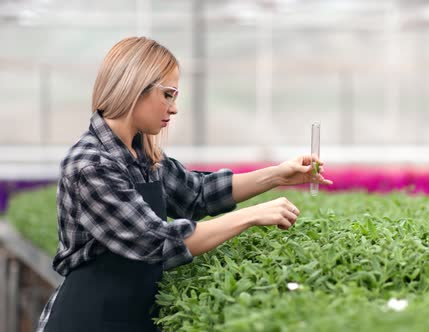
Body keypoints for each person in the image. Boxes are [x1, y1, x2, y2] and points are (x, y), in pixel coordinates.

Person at [35, 36, 332, 332]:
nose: (174, 108)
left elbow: (197, 194)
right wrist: (251, 215)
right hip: (88, 320)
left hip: (131, 315)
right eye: (168, 94)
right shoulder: (91, 164)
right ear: (135, 87)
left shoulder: (141, 154)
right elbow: (158, 242)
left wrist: (279, 175)